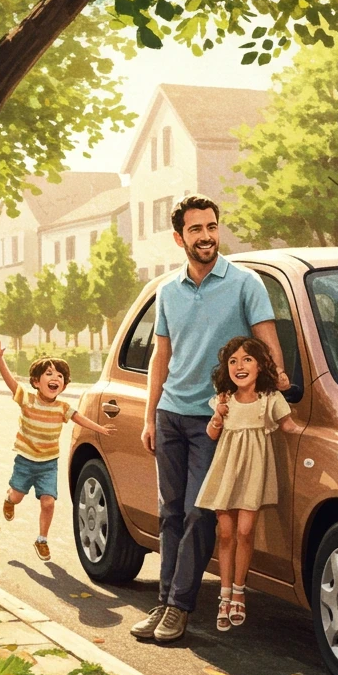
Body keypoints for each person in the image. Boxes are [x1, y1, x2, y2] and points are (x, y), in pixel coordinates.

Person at [134, 195, 291, 643]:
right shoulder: (168, 291)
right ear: (179, 237)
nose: (206, 236)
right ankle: (163, 601)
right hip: (169, 416)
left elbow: (266, 343)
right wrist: (150, 417)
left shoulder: (246, 284)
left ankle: (179, 606)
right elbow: (161, 358)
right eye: (196, 229)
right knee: (169, 513)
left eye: (212, 227)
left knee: (198, 514)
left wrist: (274, 384)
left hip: (215, 418)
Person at [195, 336, 298, 630]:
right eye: (233, 361)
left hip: (253, 472)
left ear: (260, 365)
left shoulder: (269, 399)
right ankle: (224, 595)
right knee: (225, 533)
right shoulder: (224, 398)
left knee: (245, 530)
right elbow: (212, 434)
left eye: (247, 360)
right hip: (226, 471)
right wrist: (217, 416)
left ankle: (240, 590)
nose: (239, 366)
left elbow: (290, 426)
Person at [0, 344, 116, 562]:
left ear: (64, 385)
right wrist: (0, 360)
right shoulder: (27, 399)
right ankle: (9, 499)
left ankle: (42, 540)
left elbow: (79, 419)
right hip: (25, 461)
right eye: (48, 374)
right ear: (36, 382)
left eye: (59, 376)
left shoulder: (62, 407)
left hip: (48, 464)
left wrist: (100, 429)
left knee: (48, 502)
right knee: (17, 496)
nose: (54, 378)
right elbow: (11, 383)